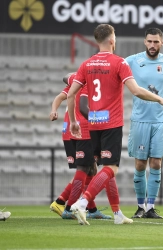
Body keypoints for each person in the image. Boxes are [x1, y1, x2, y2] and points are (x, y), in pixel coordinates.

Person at [67, 24, 163, 225]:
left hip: (93, 123)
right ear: (112, 40)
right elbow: (137, 91)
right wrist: (159, 99)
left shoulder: (86, 64)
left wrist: (73, 121)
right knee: (111, 168)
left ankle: (117, 213)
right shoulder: (119, 63)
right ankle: (83, 202)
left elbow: (71, 94)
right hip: (111, 124)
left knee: (102, 169)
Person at [125, 28, 163, 219]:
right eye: (149, 41)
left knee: (156, 162)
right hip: (140, 119)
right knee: (140, 164)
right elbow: (114, 71)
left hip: (161, 119)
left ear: (162, 43)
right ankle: (140, 206)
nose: (152, 45)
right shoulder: (132, 61)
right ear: (144, 42)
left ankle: (151, 207)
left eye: (156, 42)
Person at [49, 72, 111, 221]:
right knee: (84, 170)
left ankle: (91, 208)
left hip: (72, 130)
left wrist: (54, 110)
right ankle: (65, 205)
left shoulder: (78, 81)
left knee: (91, 170)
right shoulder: (85, 81)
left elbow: (64, 82)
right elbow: (79, 104)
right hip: (81, 130)